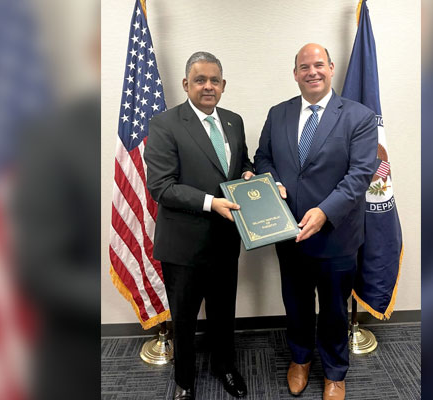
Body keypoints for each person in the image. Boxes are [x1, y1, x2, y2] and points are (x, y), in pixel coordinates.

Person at [254, 43, 378, 400]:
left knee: (336, 310)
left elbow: (360, 175)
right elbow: (264, 157)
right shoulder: (278, 113)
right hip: (287, 232)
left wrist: (325, 212)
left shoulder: (359, 117)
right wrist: (270, 181)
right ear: (295, 74)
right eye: (304, 66)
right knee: (296, 303)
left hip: (336, 236)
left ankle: (336, 372)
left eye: (318, 65)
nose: (312, 72)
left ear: (331, 68)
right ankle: (300, 358)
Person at [144, 51, 253, 400]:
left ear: (223, 85)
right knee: (186, 319)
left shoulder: (234, 121)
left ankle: (225, 366)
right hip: (183, 244)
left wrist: (249, 175)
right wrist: (210, 203)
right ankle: (185, 380)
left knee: (224, 314)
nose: (208, 86)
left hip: (226, 241)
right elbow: (161, 186)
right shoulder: (165, 124)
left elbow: (241, 164)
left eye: (214, 80)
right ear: (185, 84)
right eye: (200, 80)